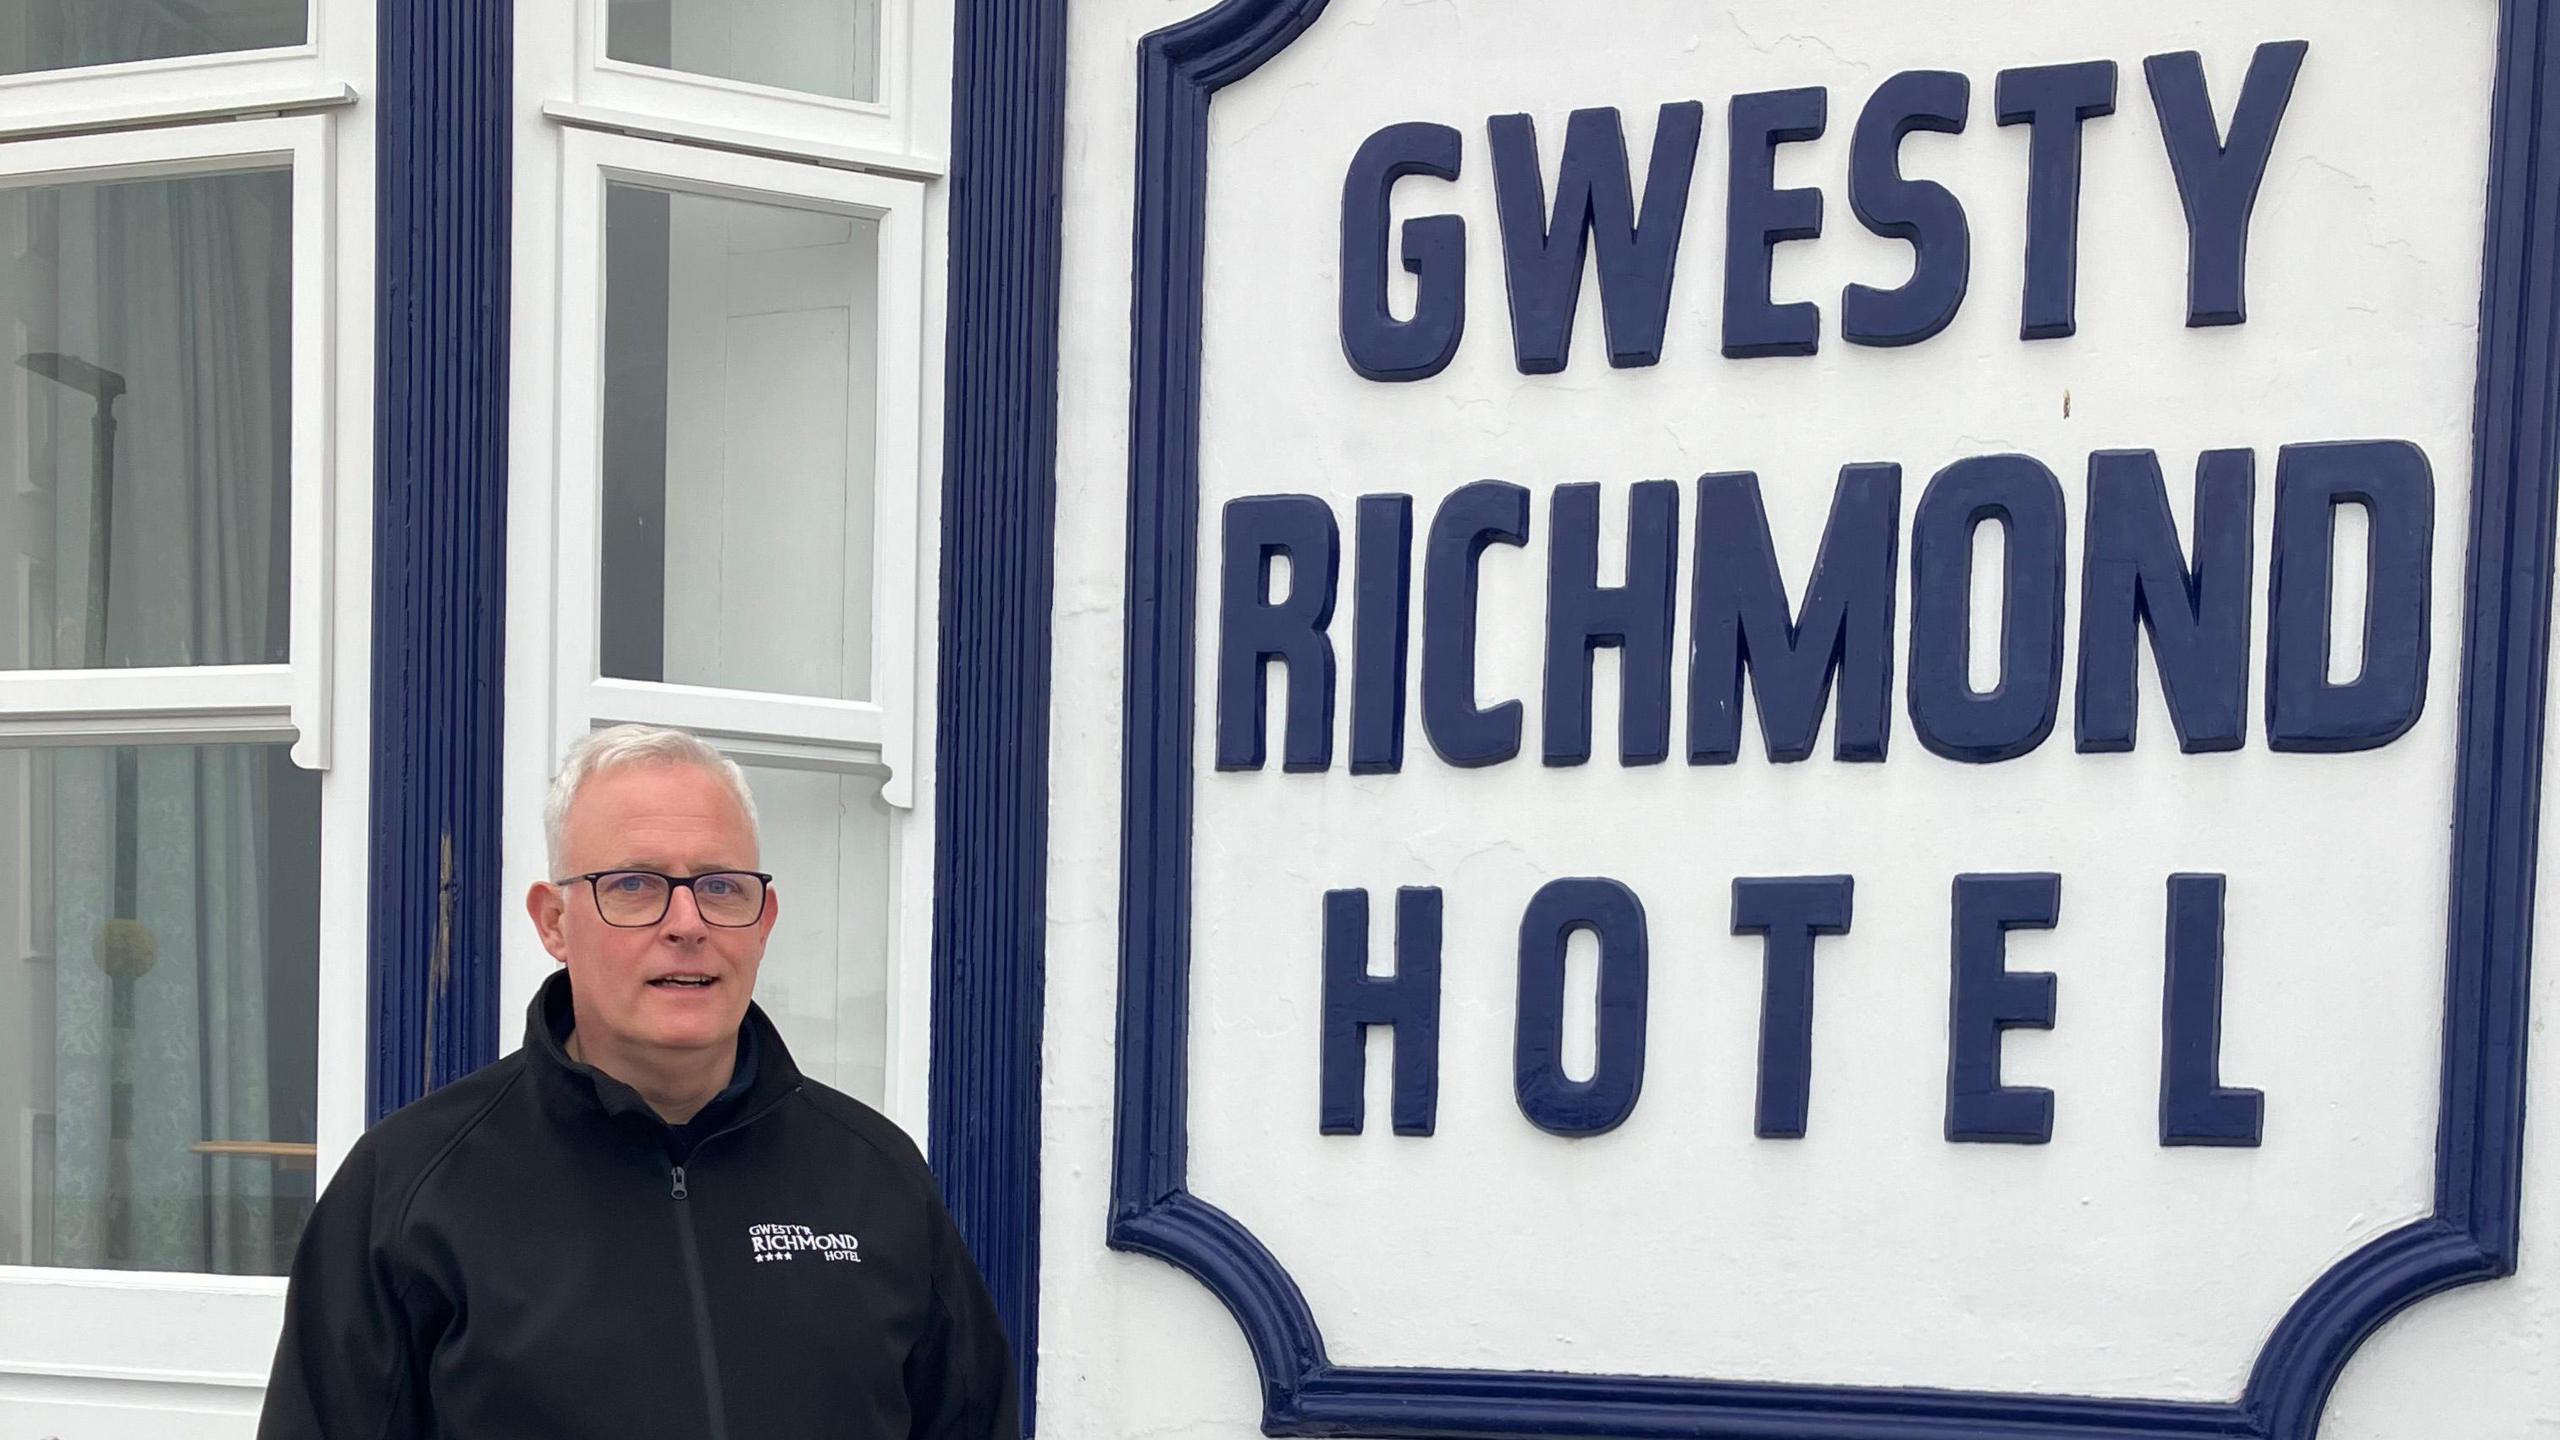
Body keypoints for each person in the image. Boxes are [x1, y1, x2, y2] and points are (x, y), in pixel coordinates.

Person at [258, 724, 1017, 1439]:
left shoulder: (875, 1175)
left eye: (721, 887)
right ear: (553, 921)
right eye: (633, 885)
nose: (687, 922)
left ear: (764, 920)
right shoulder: (410, 1189)